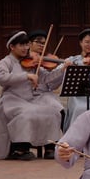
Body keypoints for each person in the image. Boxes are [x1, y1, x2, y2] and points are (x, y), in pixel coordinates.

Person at [0, 31, 64, 160]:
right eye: (22, 45)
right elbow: (1, 77)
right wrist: (26, 76)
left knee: (52, 112)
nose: (26, 48)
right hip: (12, 99)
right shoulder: (6, 62)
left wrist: (62, 69)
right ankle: (21, 149)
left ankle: (49, 146)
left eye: (26, 45)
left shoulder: (32, 61)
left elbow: (47, 78)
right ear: (12, 47)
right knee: (26, 114)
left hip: (32, 99)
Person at [27, 30, 66, 158]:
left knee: (58, 110)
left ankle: (52, 146)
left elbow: (49, 81)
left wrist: (62, 69)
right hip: (26, 96)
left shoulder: (43, 64)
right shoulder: (23, 60)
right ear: (29, 43)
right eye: (38, 42)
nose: (41, 45)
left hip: (43, 95)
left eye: (44, 43)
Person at [63, 29, 90, 130]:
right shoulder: (73, 60)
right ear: (81, 43)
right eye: (87, 42)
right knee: (79, 109)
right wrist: (65, 67)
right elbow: (64, 78)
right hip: (78, 97)